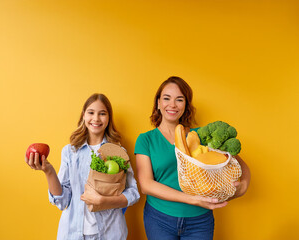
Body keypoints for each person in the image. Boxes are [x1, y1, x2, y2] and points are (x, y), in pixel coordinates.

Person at [134, 76, 250, 240]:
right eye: (166, 98)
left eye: (179, 100)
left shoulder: (202, 136)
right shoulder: (146, 139)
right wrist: (193, 200)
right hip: (159, 219)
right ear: (158, 103)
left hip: (200, 221)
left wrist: (243, 186)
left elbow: (239, 164)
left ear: (186, 105)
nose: (172, 104)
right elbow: (146, 185)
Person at [25, 93, 140, 240]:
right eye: (91, 112)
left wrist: (104, 202)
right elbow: (62, 200)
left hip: (110, 232)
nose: (96, 118)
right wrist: (49, 171)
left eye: (102, 113)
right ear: (83, 116)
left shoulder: (118, 152)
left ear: (109, 118)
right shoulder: (70, 151)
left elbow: (133, 192)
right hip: (72, 233)